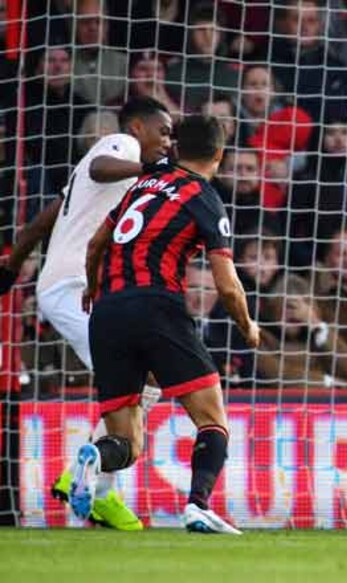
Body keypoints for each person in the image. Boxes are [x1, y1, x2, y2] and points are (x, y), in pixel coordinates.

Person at [71, 114, 259, 535]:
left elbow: (96, 243)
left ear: (175, 147)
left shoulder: (141, 186)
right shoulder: (203, 195)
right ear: (220, 155)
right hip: (157, 306)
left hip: (106, 311)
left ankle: (96, 457)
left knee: (127, 442)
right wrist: (248, 326)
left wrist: (93, 287)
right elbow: (227, 286)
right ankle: (198, 506)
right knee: (212, 420)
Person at [0, 97, 173, 531]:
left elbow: (43, 222)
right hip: (71, 288)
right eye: (164, 131)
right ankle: (92, 486)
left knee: (143, 381)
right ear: (137, 126)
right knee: (140, 379)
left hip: (75, 290)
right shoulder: (119, 147)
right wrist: (147, 169)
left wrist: (9, 266)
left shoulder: (88, 179)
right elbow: (102, 169)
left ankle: (98, 488)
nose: (167, 142)